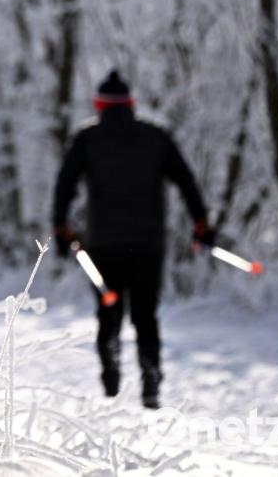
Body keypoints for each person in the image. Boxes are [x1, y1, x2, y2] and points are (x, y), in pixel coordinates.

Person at [51, 70, 215, 409]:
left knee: (108, 311)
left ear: (99, 105)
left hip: (103, 246)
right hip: (147, 246)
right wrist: (201, 224)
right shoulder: (156, 137)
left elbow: (64, 186)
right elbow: (187, 182)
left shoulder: (87, 139)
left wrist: (61, 229)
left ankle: (111, 383)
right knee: (146, 316)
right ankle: (151, 382)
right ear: (131, 104)